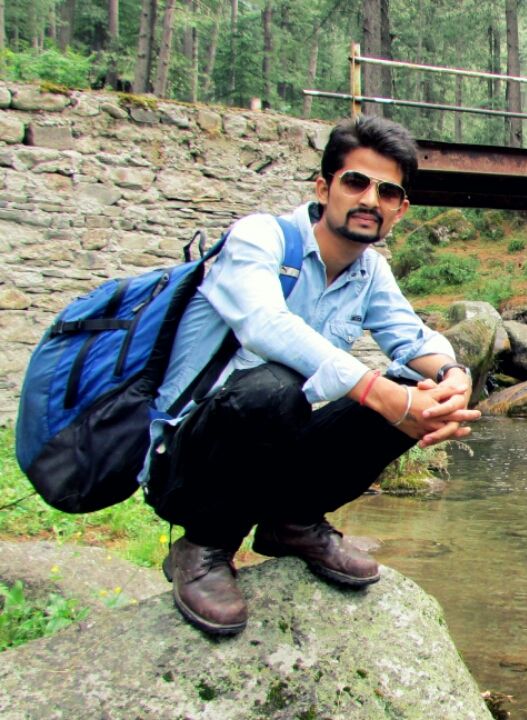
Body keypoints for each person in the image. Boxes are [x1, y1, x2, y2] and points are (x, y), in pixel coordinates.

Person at [141, 116, 480, 636]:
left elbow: (413, 339)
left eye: (387, 191)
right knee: (276, 387)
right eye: (356, 182)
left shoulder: (371, 271)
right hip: (190, 464)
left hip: (273, 455)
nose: (371, 199)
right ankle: (204, 545)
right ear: (324, 188)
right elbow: (265, 326)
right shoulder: (260, 238)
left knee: (414, 389)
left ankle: (291, 523)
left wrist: (453, 376)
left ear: (400, 209)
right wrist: (374, 390)